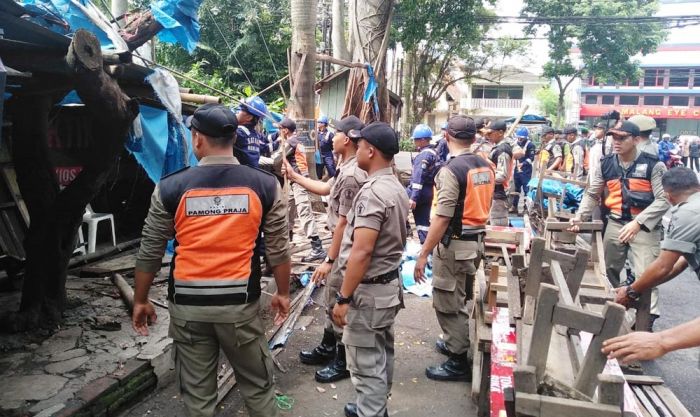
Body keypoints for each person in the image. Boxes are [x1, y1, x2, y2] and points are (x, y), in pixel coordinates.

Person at [131, 104, 290, 417]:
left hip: (188, 307)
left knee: (198, 398)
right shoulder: (265, 185)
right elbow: (278, 248)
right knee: (257, 388)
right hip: (239, 308)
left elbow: (150, 248)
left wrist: (140, 299)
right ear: (232, 138)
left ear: (197, 139)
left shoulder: (170, 187)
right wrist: (283, 294)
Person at [330, 122, 408, 417]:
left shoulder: (372, 192)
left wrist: (343, 298)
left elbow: (361, 251)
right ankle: (373, 405)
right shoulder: (395, 186)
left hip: (370, 291)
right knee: (381, 352)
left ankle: (371, 410)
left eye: (361, 145)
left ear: (371, 150)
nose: (358, 149)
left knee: (365, 362)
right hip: (387, 287)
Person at [286, 115, 367, 384]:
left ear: (346, 139)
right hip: (339, 242)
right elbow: (323, 188)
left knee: (339, 300)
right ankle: (328, 346)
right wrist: (295, 176)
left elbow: (344, 223)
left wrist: (329, 259)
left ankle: (342, 360)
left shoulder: (354, 174)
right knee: (330, 297)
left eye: (335, 133)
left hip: (343, 246)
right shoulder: (345, 167)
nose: (330, 137)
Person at [414, 115, 494, 382]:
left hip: (455, 244)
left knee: (448, 301)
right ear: (473, 138)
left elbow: (443, 216)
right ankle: (454, 341)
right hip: (476, 242)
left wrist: (424, 252)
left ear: (446, 136)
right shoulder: (485, 165)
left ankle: (458, 359)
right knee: (461, 296)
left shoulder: (451, 170)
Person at [570, 121, 668, 330]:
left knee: (646, 274)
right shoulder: (606, 164)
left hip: (644, 226)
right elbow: (592, 193)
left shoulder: (654, 165)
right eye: (614, 137)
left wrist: (638, 223)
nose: (616, 142)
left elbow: (663, 200)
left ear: (636, 139)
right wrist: (579, 217)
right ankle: (615, 309)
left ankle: (646, 320)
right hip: (615, 222)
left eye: (622, 138)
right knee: (607, 269)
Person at [278, 118, 327, 262]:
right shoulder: (296, 140)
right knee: (288, 211)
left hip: (299, 181)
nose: (279, 132)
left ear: (285, 130)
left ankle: (317, 248)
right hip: (295, 182)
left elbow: (276, 158)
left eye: (280, 129)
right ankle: (286, 242)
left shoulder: (291, 142)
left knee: (304, 212)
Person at [408, 124, 441, 243]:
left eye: (415, 140)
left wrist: (413, 197)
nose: (414, 142)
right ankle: (427, 246)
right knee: (423, 223)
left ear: (422, 140)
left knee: (398, 202)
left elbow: (418, 177)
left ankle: (424, 245)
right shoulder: (434, 152)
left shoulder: (424, 155)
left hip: (420, 193)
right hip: (428, 191)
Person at [485, 119, 514, 226]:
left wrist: (483, 180)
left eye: (490, 133)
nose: (488, 136)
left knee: (498, 225)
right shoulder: (497, 147)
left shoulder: (503, 149)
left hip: (499, 194)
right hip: (493, 192)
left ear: (500, 133)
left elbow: (502, 175)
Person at [235, 96, 268, 168]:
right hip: (251, 173)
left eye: (240, 110)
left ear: (249, 117)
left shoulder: (239, 133)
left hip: (240, 173)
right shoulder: (254, 134)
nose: (236, 113)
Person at [511, 126, 536, 214]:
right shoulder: (515, 143)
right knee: (516, 189)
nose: (520, 139)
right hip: (516, 170)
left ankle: (526, 208)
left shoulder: (530, 145)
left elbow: (531, 158)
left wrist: (524, 163)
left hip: (526, 170)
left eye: (521, 138)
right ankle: (514, 206)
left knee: (526, 189)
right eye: (518, 137)